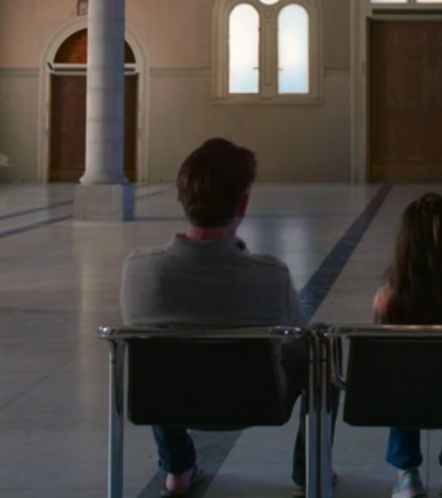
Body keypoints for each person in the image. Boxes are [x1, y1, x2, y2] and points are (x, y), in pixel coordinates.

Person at [120, 138, 335, 496]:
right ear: (243, 203)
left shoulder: (139, 271)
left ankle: (177, 468)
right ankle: (309, 470)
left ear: (180, 196)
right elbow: (294, 337)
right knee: (321, 347)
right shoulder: (272, 275)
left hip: (166, 400)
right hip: (256, 402)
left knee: (153, 351)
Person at [373, 194, 442, 498]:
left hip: (404, 400)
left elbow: (380, 359)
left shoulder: (387, 298)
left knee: (400, 373)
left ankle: (407, 472)